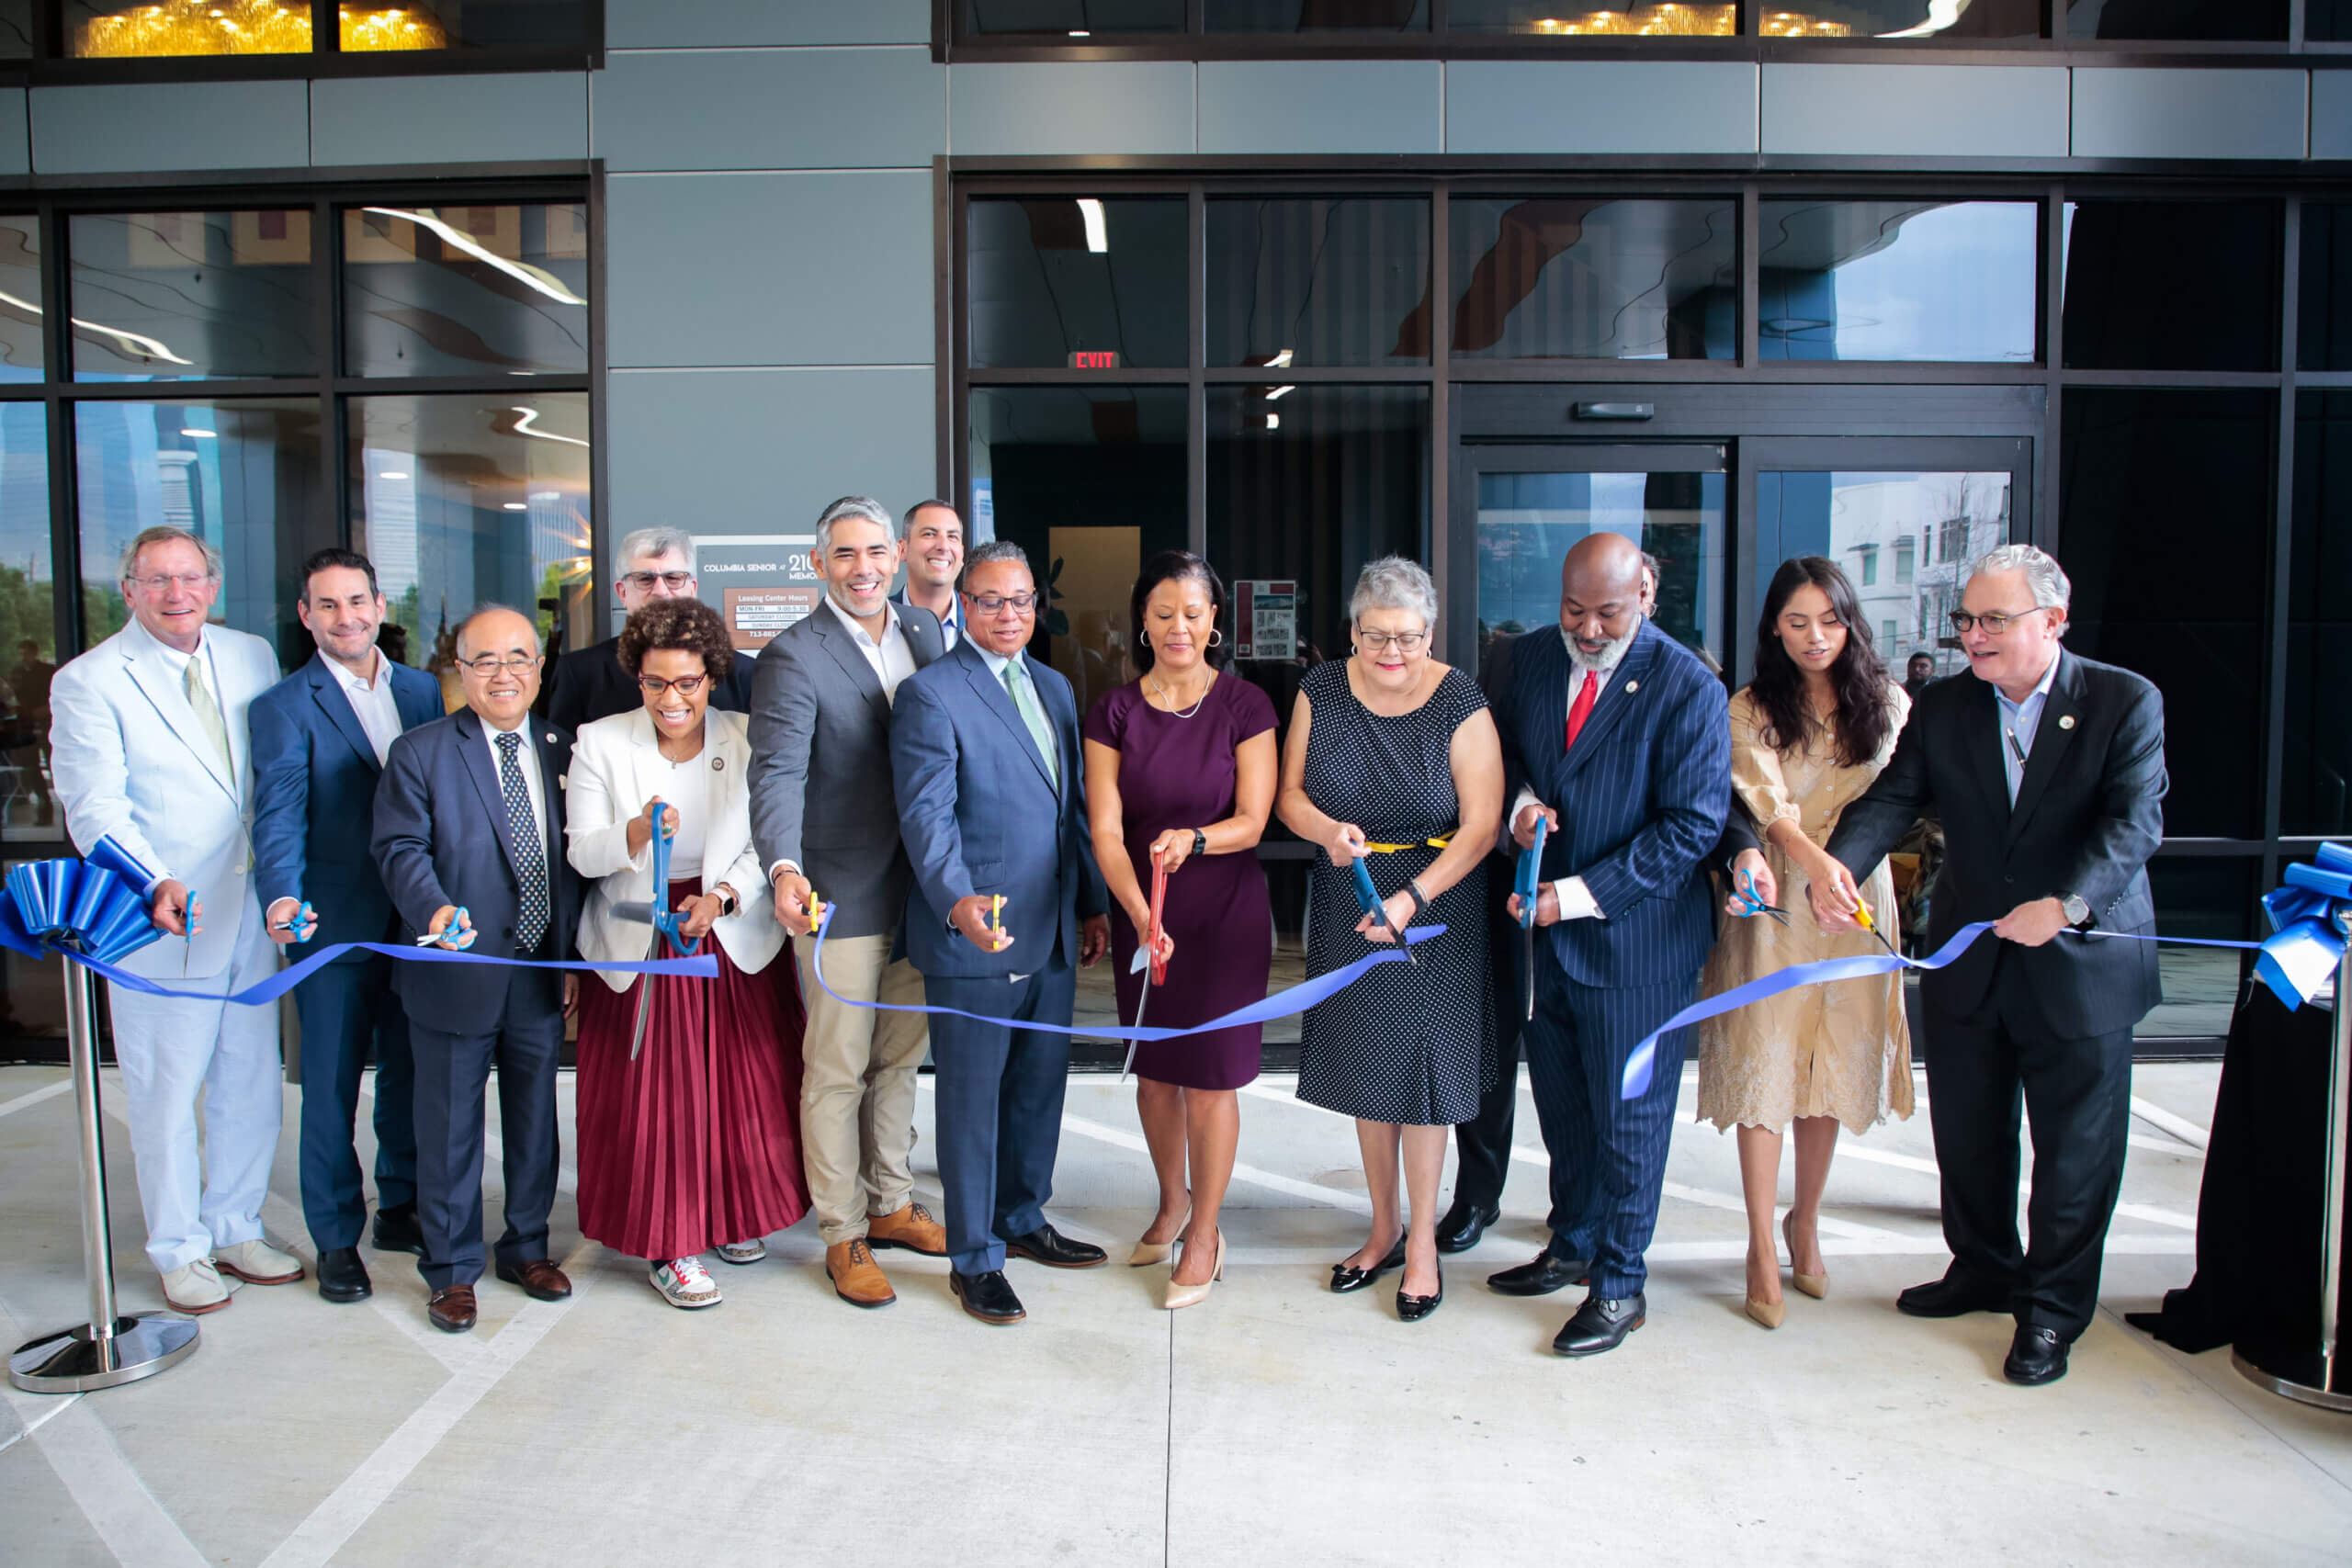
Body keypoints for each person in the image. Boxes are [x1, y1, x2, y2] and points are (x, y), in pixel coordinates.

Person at [1815, 543, 2165, 1387]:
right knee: (1969, 1133)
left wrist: (2068, 903)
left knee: (2075, 1150)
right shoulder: (1945, 707)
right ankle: (1981, 1265)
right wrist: (1840, 863)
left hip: (2079, 960)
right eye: (1967, 619)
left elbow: (2134, 823)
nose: (1973, 635)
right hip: (1973, 958)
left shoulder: (2122, 700)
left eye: (1993, 620)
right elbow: (1896, 796)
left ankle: (2050, 1308)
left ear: (2053, 619)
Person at [50, 525, 300, 1315]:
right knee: (165, 1089)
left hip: (251, 910)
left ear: (211, 586)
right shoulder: (89, 680)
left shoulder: (252, 654)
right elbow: (94, 808)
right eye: (157, 580)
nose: (176, 593)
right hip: (162, 916)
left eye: (189, 578)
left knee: (248, 1078)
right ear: (128, 590)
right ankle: (178, 1246)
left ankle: (233, 1222)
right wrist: (153, 876)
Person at [1493, 531, 1730, 1358]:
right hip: (1541, 940)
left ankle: (1621, 1283)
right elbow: (1510, 760)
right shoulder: (1523, 662)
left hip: (1635, 943)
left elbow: (1694, 824)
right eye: (1573, 610)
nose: (1588, 630)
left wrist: (1578, 896)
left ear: (1648, 596)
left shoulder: (1687, 685)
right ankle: (1574, 1239)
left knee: (1630, 1123)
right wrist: (1519, 809)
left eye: (1608, 612)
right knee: (1564, 1109)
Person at [1275, 557, 1504, 1325]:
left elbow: (1480, 827)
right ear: (1352, 631)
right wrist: (1326, 832)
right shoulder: (1322, 690)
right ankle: (1381, 1227)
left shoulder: (1460, 698)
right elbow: (1289, 797)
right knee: (1366, 1071)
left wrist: (1413, 896)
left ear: (1429, 633)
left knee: (1425, 1078)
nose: (1392, 652)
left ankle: (1424, 1248)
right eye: (1376, 637)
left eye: (1407, 637)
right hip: (1350, 896)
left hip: (1436, 903)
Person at [890, 540, 1111, 1325]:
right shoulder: (931, 694)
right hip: (975, 933)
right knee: (974, 1100)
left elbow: (1071, 809)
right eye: (990, 600)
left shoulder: (1053, 686)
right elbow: (926, 817)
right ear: (963, 606)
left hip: (1050, 927)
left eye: (1021, 599)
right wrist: (956, 901)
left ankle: (1022, 1217)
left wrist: (1089, 903)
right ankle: (974, 1255)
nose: (1009, 613)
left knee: (1037, 1089)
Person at [568, 597, 809, 1309]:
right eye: (655, 683)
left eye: (688, 682)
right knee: (659, 1099)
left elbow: (766, 837)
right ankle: (669, 1244)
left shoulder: (746, 735)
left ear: (713, 676)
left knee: (744, 1086)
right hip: (643, 938)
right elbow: (583, 853)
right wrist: (638, 831)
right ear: (635, 678)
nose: (672, 699)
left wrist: (725, 898)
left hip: (724, 932)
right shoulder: (599, 740)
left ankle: (734, 1215)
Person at [1695, 557, 1914, 1331]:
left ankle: (1806, 1220)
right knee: (1770, 1060)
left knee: (1832, 1061)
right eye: (1796, 622)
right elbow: (1767, 801)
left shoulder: (1889, 702)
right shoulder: (1750, 705)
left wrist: (1842, 871)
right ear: (1774, 629)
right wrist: (1817, 866)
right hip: (1779, 895)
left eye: (1828, 619)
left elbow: (1893, 799)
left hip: (1855, 900)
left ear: (1851, 621)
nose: (1814, 636)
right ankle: (1759, 1240)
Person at [751, 495, 949, 1309]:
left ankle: (891, 1199)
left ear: (898, 556)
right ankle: (842, 1231)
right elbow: (777, 774)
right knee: (835, 1069)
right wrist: (785, 869)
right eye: (844, 554)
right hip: (838, 890)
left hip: (922, 890)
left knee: (899, 1057)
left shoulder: (928, 634)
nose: (862, 568)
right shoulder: (793, 656)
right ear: (818, 564)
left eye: (874, 552)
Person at [371, 605, 580, 1335]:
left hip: (537, 969)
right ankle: (451, 1270)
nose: (504, 674)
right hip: (454, 970)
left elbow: (574, 862)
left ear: (539, 667)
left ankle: (525, 1246)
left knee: (534, 1122)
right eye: (486, 660)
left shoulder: (562, 748)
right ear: (460, 670)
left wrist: (576, 955)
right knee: (451, 1126)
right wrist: (431, 910)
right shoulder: (421, 751)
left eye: (519, 658)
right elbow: (400, 848)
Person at [250, 547, 446, 1304]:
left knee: (410, 1070)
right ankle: (336, 1237)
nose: (346, 617)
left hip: (415, 920)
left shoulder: (424, 690)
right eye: (327, 605)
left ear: (379, 603)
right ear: (306, 615)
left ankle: (401, 1205)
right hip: (330, 924)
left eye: (357, 600)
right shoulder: (283, 706)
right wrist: (280, 898)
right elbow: (276, 819)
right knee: (329, 1083)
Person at [1082, 551, 1278, 1310]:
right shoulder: (1114, 710)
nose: (1178, 627)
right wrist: (1139, 915)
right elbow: (1105, 830)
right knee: (1157, 1072)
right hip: (1146, 909)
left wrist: (1193, 840)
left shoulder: (1244, 705)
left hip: (1225, 913)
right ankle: (1170, 1201)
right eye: (1163, 613)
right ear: (1142, 621)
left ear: (1214, 622)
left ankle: (1206, 1232)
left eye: (1193, 612)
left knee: (1209, 1080)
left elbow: (1253, 820)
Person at [546, 526, 754, 729]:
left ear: (693, 589)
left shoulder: (745, 675)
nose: (661, 591)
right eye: (645, 579)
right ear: (622, 592)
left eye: (673, 578)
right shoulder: (579, 674)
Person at [893, 499, 967, 651]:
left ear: (962, 553)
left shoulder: (986, 623)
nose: (944, 546)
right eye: (929, 534)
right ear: (902, 550)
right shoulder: (877, 622)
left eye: (952, 536)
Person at [11, 637, 54, 826]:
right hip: (27, 726)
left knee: (55, 766)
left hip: (47, 723)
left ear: (34, 653)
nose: (24, 657)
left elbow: (57, 695)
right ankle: (44, 811)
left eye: (26, 653)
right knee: (32, 770)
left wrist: (45, 710)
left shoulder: (47, 672)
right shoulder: (17, 673)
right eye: (21, 654)